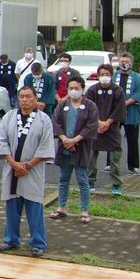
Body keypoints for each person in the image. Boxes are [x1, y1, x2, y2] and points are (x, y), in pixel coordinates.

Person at [0, 85, 56, 257]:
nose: (25, 100)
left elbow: (45, 147)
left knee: (34, 206)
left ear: (35, 98)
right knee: (12, 207)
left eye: (28, 97)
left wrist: (27, 166)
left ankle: (37, 242)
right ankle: (11, 239)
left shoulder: (44, 120)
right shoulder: (9, 117)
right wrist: (14, 163)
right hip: (12, 169)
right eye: (21, 96)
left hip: (32, 171)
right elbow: (1, 141)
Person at [51, 76, 98, 224]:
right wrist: (65, 139)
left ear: (82, 89)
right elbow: (56, 122)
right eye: (70, 88)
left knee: (82, 180)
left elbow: (91, 125)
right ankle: (61, 207)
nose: (73, 91)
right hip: (64, 147)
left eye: (76, 88)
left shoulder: (90, 106)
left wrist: (75, 140)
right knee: (63, 179)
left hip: (81, 148)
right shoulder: (62, 104)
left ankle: (84, 210)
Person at [87, 64, 126, 196]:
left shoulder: (118, 90)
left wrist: (107, 123)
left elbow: (119, 109)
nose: (105, 77)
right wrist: (98, 123)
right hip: (95, 128)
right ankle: (90, 181)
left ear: (111, 75)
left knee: (115, 157)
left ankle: (116, 184)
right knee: (91, 156)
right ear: (98, 76)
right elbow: (88, 109)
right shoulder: (92, 90)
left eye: (107, 75)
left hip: (112, 128)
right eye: (102, 74)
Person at [116, 52, 140, 174]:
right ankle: (110, 163)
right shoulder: (114, 75)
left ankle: (134, 165)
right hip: (115, 113)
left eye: (127, 62)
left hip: (131, 112)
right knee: (113, 139)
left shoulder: (137, 78)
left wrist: (125, 103)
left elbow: (139, 94)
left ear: (131, 64)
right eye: (122, 61)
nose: (124, 64)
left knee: (132, 140)